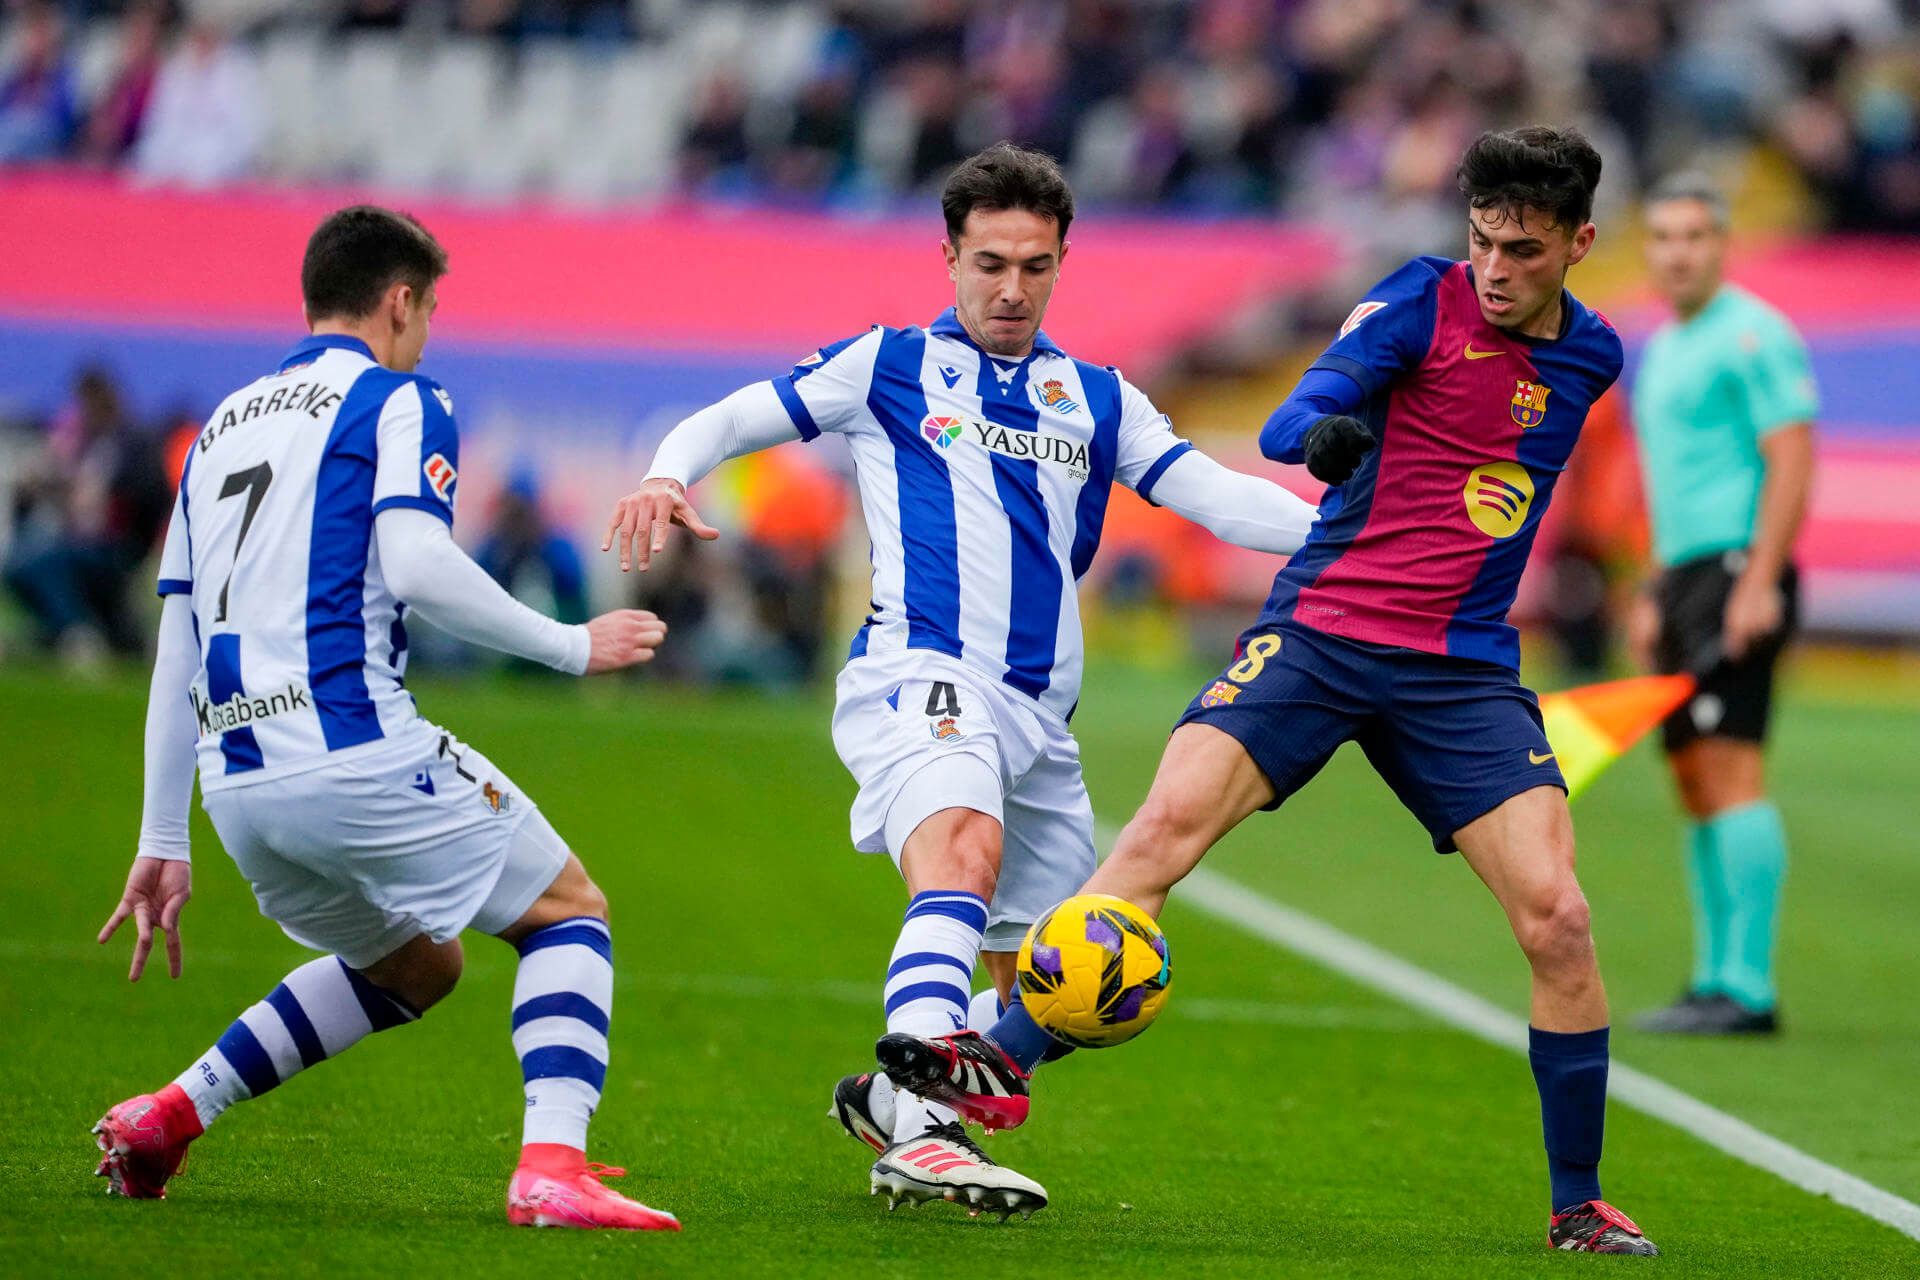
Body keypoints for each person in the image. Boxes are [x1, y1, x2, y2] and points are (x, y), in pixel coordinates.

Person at [880, 127, 1662, 1255]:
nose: (1494, 269)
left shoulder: (1593, 357)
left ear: (1581, 243)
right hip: (1323, 631)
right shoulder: (1415, 302)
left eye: (1523, 250)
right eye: (1482, 240)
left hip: (1461, 669)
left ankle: (1577, 1202)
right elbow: (1297, 416)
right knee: (1155, 840)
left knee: (1561, 917)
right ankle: (992, 1056)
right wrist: (1328, 438)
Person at [604, 142, 1319, 1217]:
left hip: (1039, 717)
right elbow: (736, 417)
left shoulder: (1099, 399)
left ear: (1062, 261)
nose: (1010, 287)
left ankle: (895, 1099)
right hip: (924, 672)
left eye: (1034, 265)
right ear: (948, 257)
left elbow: (1217, 499)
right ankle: (927, 1134)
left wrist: (1352, 546)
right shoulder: (888, 365)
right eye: (989, 262)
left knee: (1072, 973)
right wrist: (667, 471)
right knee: (962, 853)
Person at [90, 206, 681, 1232]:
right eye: (429, 310)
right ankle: (553, 1162)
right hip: (349, 746)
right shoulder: (400, 399)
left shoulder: (221, 424)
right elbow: (414, 564)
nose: (428, 331)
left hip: (239, 789)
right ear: (399, 300)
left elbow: (175, 643)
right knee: (569, 909)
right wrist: (571, 643)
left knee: (418, 964)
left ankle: (171, 1113)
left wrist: (160, 834)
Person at [1626, 172, 1816, 1036]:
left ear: (1721, 243)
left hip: (1738, 567)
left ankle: (1748, 988)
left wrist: (1759, 579)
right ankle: (1712, 979)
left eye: (1693, 236)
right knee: (1694, 777)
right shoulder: (1666, 345)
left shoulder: (1754, 334)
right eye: (1662, 236)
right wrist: (1650, 587)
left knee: (1733, 768)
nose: (1677, 252)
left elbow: (1791, 457)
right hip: (1684, 578)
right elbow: (1668, 483)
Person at [4, 366, 171, 660]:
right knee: (23, 562)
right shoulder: (85, 441)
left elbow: (147, 495)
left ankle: (74, 631)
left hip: (116, 545)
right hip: (78, 538)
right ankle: (68, 629)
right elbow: (62, 484)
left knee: (42, 564)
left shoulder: (131, 442)